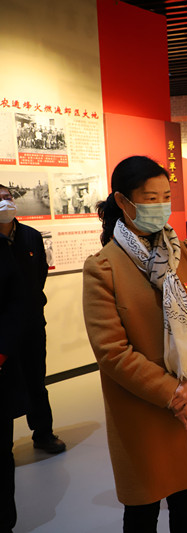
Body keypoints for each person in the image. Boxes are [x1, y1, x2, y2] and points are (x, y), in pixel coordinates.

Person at [82, 156, 187, 532]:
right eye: (150, 198)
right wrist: (172, 393)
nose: (161, 206)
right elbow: (111, 351)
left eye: (166, 197)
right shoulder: (104, 268)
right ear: (123, 201)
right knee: (143, 508)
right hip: (144, 406)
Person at [0, 185, 65, 532]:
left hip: (31, 322)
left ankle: (43, 432)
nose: (5, 203)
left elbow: (39, 273)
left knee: (37, 377)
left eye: (7, 197)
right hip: (3, 332)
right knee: (9, 386)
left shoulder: (30, 236)